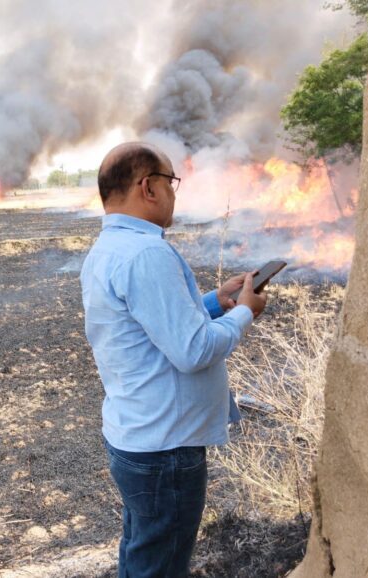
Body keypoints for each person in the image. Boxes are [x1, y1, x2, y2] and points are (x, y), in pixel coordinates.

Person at [80, 142, 267, 578]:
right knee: (160, 566)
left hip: (139, 436)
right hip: (167, 448)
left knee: (142, 553)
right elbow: (194, 350)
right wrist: (244, 312)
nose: (174, 194)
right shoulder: (147, 253)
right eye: (171, 182)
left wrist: (217, 302)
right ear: (148, 186)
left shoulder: (110, 248)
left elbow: (156, 326)